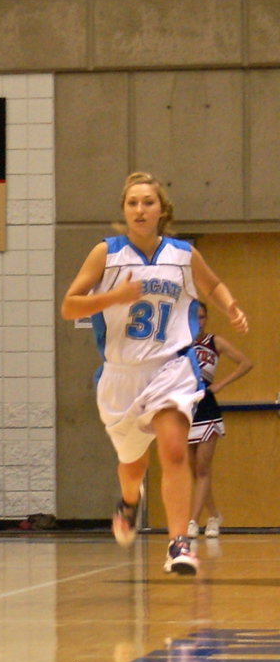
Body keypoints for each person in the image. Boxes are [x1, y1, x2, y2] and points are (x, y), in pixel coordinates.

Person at [61, 172, 248, 576]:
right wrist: (114, 297)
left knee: (175, 449)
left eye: (148, 202)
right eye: (132, 203)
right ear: (124, 210)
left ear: (162, 209)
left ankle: (180, 541)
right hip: (121, 375)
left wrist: (230, 305)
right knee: (133, 466)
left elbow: (212, 284)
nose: (140, 209)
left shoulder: (182, 254)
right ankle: (129, 502)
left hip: (172, 367)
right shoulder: (106, 254)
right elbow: (70, 306)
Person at [187, 301, 252, 539]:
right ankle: (213, 515)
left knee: (203, 468)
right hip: (185, 407)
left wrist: (221, 384)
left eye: (202, 317)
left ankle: (193, 521)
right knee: (193, 470)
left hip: (207, 407)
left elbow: (246, 362)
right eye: (194, 317)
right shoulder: (177, 345)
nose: (198, 321)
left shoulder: (215, 342)